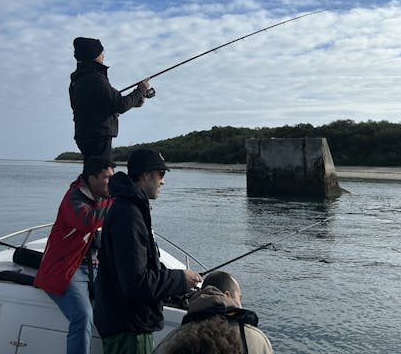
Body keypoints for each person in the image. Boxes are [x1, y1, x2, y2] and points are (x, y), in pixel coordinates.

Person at [94, 149, 202, 354]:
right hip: (129, 329)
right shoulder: (129, 215)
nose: (163, 181)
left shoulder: (129, 207)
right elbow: (136, 283)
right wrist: (180, 279)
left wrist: (176, 280)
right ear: (146, 175)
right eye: (161, 174)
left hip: (125, 322)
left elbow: (141, 266)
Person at [34, 156, 115, 354]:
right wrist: (123, 202)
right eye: (106, 178)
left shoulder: (104, 197)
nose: (111, 183)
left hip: (95, 268)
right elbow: (90, 221)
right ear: (92, 179)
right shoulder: (73, 198)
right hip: (66, 270)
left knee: (123, 303)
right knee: (83, 315)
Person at [154, 271, 274, 354]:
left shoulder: (173, 339)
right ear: (227, 295)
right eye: (239, 298)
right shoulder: (256, 339)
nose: (240, 303)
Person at [70, 37, 150, 160]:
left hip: (84, 135)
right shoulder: (96, 78)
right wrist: (140, 90)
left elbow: (100, 105)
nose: (103, 55)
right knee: (102, 175)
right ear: (93, 55)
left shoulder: (77, 80)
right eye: (101, 52)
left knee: (93, 174)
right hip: (98, 136)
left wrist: (133, 102)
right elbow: (120, 105)